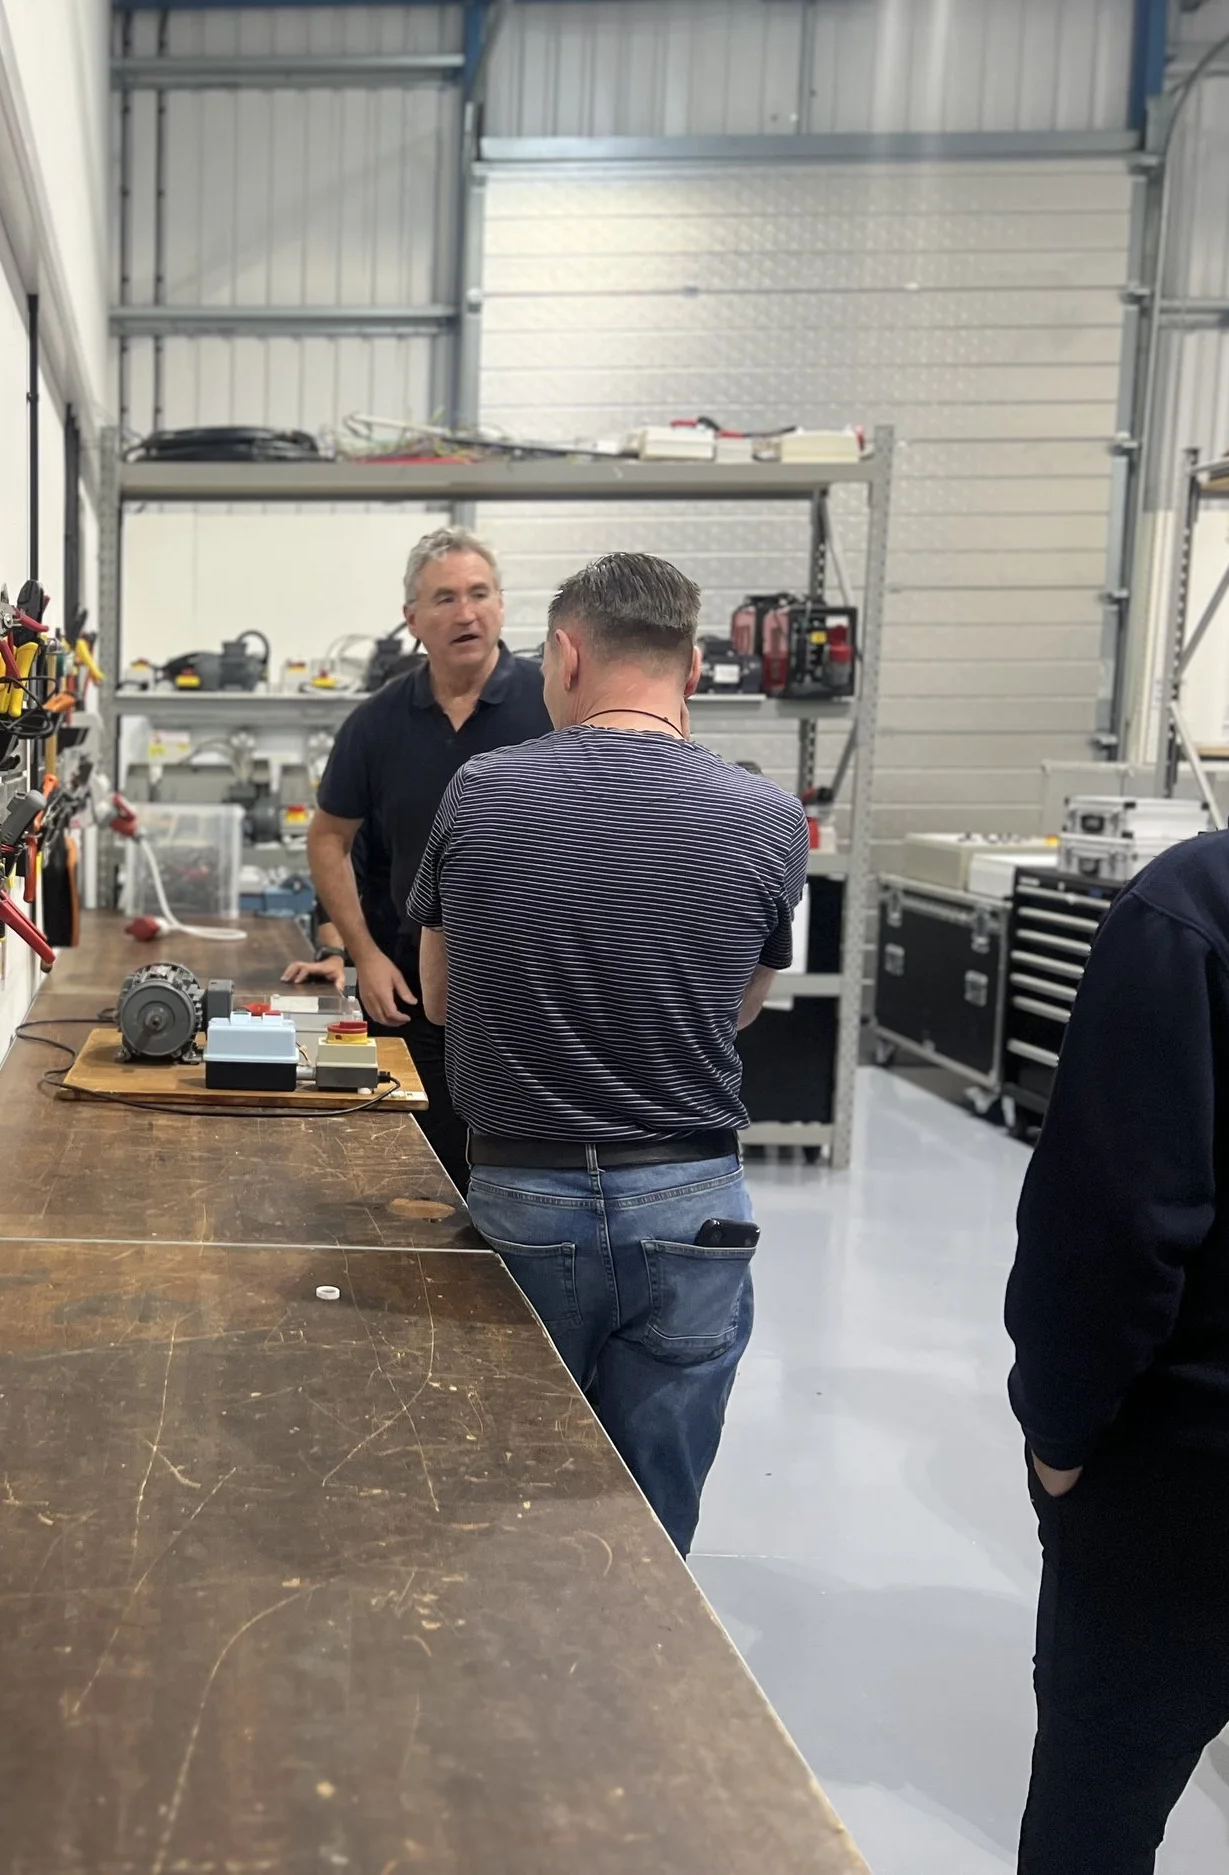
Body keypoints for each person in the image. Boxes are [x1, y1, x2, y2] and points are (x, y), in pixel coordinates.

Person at [1004, 556, 1229, 1873]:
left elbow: (1110, 1229)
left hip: (1191, 1482)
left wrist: (1060, 1438)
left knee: (1095, 1815)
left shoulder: (1204, 905)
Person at [406, 552, 807, 1553]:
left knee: (503, 1497)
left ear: (569, 653)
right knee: (649, 1518)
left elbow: (445, 998)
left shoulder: (483, 792)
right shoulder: (767, 817)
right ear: (695, 669)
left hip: (523, 1195)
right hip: (691, 1206)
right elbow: (741, 1007)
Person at [291, 528, 553, 1192]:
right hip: (406, 994)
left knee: (518, 1184)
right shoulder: (376, 724)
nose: (466, 613)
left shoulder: (554, 705)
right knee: (410, 1184)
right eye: (444, 598)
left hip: (527, 998)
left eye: (479, 593)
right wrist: (364, 955)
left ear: (502, 604)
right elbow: (328, 839)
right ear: (412, 619)